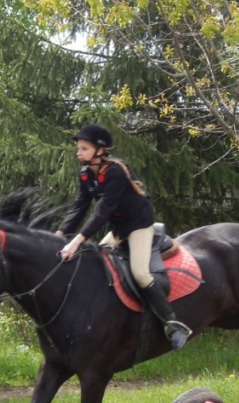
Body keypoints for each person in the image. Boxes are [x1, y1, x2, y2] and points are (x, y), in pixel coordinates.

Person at [55, 124, 191, 349]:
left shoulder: (115, 171)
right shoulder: (85, 172)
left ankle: (173, 323)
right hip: (119, 228)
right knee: (99, 265)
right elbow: (79, 206)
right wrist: (60, 235)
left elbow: (103, 210)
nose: (78, 153)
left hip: (139, 225)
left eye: (84, 148)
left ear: (100, 150)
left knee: (140, 273)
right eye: (78, 148)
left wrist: (77, 240)